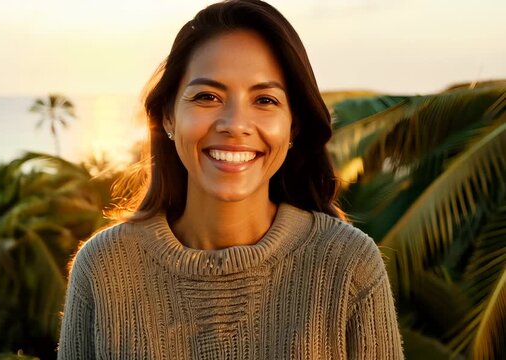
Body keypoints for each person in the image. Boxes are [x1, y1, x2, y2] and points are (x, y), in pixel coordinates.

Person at [57, 0, 404, 358]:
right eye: (207, 96)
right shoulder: (104, 268)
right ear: (168, 117)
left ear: (293, 126)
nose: (235, 124)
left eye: (265, 100)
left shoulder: (347, 265)